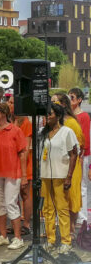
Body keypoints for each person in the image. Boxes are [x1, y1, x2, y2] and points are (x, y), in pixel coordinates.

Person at [0, 103, 27, 250]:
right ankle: (3, 236)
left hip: (12, 173)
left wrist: (25, 175)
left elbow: (22, 154)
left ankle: (18, 238)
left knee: (11, 204)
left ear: (3, 113)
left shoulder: (15, 131)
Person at [40, 103, 78, 254]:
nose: (47, 117)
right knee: (47, 209)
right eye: (46, 115)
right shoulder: (42, 132)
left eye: (50, 114)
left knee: (62, 209)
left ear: (58, 116)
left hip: (61, 175)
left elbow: (74, 153)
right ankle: (50, 240)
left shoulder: (67, 132)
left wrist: (69, 176)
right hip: (45, 175)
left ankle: (65, 241)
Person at [51, 92, 84, 235]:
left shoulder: (71, 123)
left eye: (55, 102)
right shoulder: (54, 122)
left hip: (71, 166)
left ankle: (70, 230)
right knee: (58, 198)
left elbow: (79, 147)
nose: (51, 104)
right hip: (57, 165)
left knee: (71, 197)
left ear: (63, 105)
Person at [7, 96, 32, 235]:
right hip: (10, 163)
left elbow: (26, 148)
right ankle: (14, 223)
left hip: (24, 163)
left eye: (12, 103)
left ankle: (26, 224)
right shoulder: (9, 121)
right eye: (9, 102)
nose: (9, 105)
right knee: (12, 195)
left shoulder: (26, 122)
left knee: (25, 193)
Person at [68, 88, 90, 225]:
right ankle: (75, 213)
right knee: (74, 185)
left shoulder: (84, 116)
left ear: (79, 100)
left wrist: (81, 155)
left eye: (73, 97)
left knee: (81, 185)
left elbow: (86, 138)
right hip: (72, 154)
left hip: (82, 155)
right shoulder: (70, 116)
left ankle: (82, 216)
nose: (70, 100)